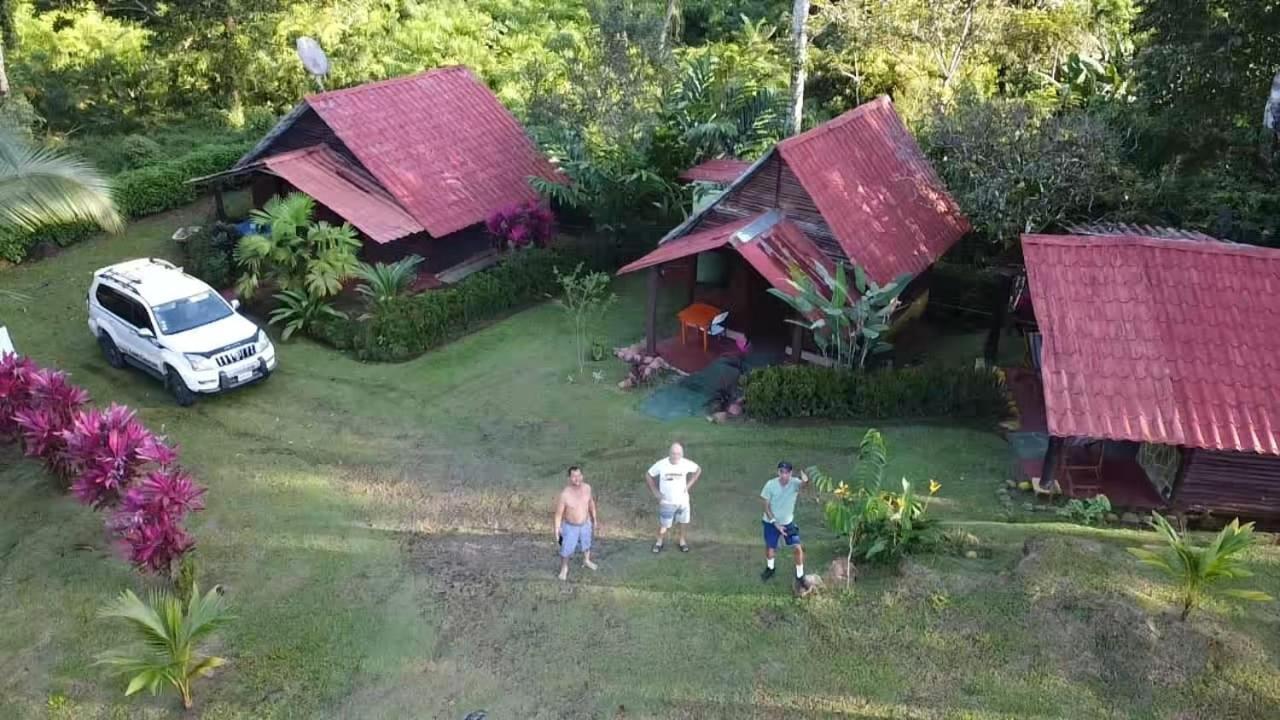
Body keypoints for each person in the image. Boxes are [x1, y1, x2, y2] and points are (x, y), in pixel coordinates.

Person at [760, 461, 809, 588]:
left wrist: (806, 480)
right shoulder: (770, 485)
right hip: (770, 522)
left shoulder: (794, 483)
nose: (784, 475)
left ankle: (800, 575)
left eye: (787, 473)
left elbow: (804, 486)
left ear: (791, 473)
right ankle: (770, 569)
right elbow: (765, 506)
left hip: (788, 523)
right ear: (778, 472)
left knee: (797, 548)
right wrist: (774, 523)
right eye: (781, 472)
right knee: (771, 548)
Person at [645, 442, 701, 553]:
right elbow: (648, 474)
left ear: (682, 455)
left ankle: (682, 541)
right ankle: (659, 542)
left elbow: (698, 469)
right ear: (669, 453)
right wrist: (656, 492)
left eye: (678, 454)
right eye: (673, 453)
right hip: (667, 502)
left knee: (683, 522)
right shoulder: (661, 464)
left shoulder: (685, 463)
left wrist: (689, 485)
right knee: (664, 524)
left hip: (682, 501)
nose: (676, 456)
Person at [554, 465, 598, 581]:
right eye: (574, 476)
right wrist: (557, 528)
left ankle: (586, 560)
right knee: (566, 549)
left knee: (587, 543)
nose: (577, 478)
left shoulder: (587, 488)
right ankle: (564, 568)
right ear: (569, 478)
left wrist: (594, 519)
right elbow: (558, 514)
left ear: (582, 476)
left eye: (579, 475)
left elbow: (591, 503)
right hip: (570, 526)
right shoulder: (565, 494)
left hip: (585, 523)